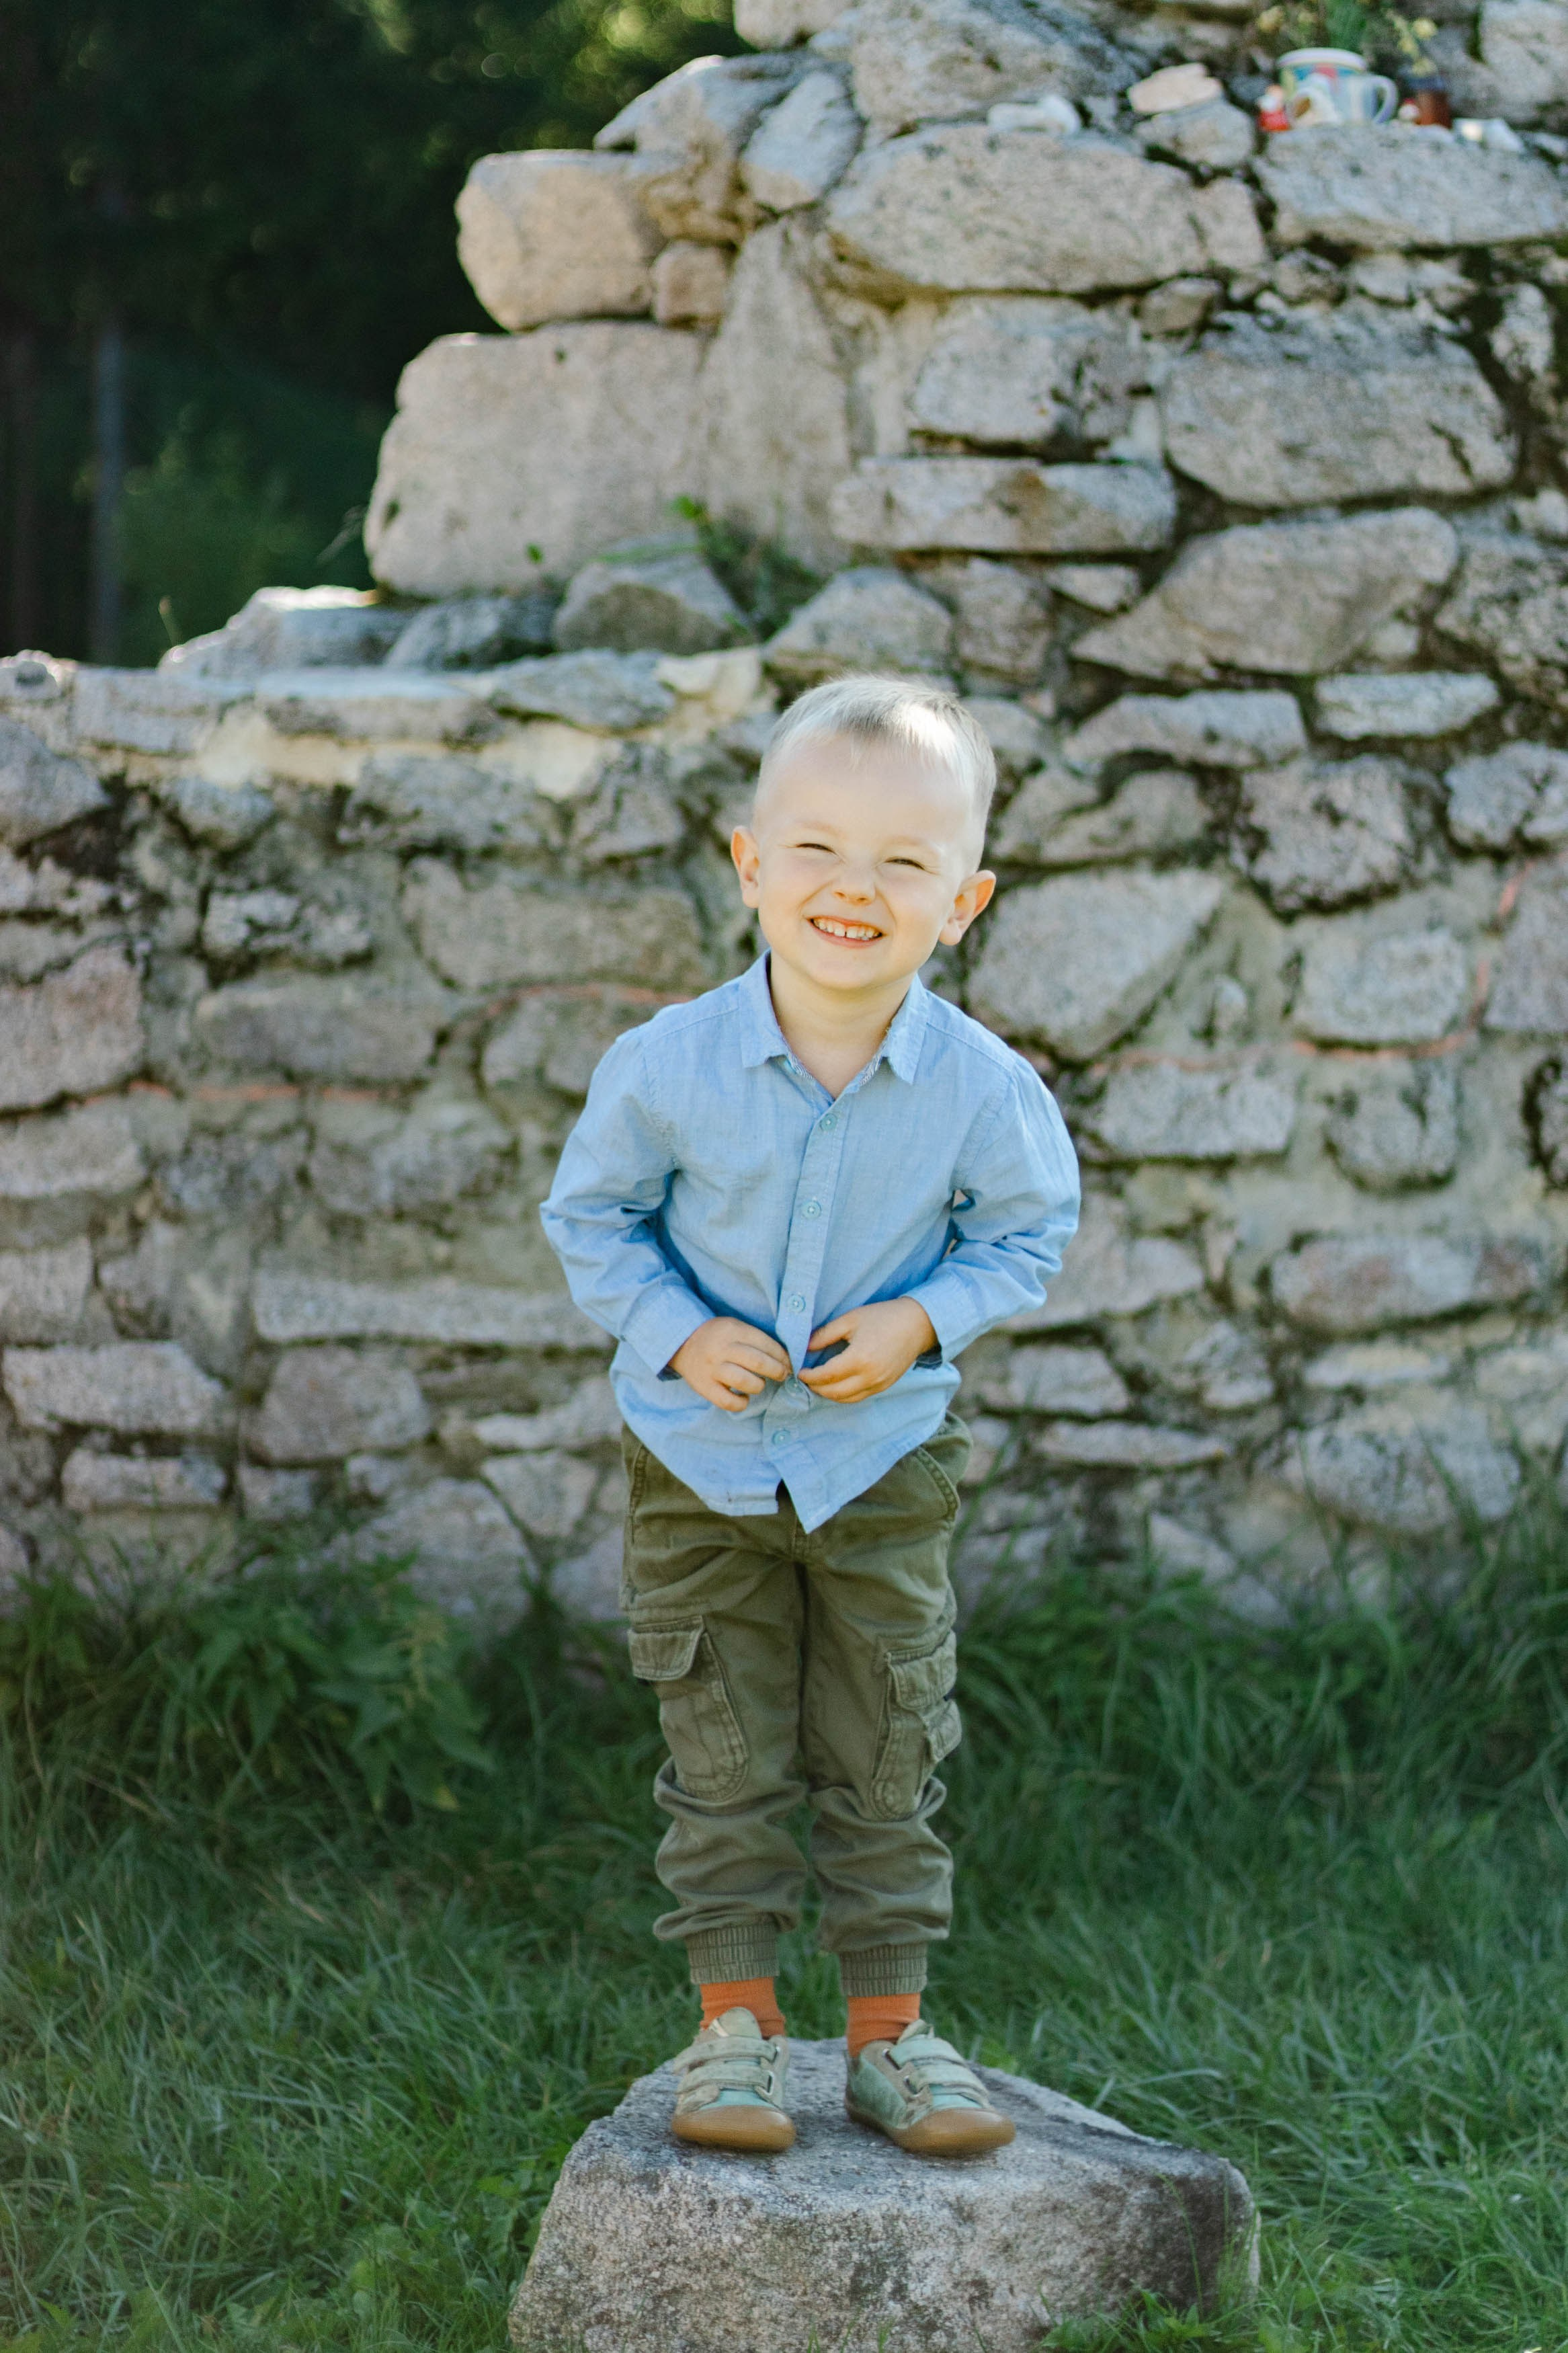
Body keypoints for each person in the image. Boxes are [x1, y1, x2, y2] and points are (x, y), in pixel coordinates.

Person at [541, 674, 1080, 2158]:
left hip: (883, 1459)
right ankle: (735, 2027)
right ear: (750, 864)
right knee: (719, 1737)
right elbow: (591, 1216)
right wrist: (677, 1330)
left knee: (889, 1733)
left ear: (963, 900)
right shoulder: (668, 1065)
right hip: (698, 1460)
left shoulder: (981, 1087)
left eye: (905, 864)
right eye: (820, 850)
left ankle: (893, 2037)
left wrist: (923, 1319)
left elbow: (1029, 1233)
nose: (857, 889)